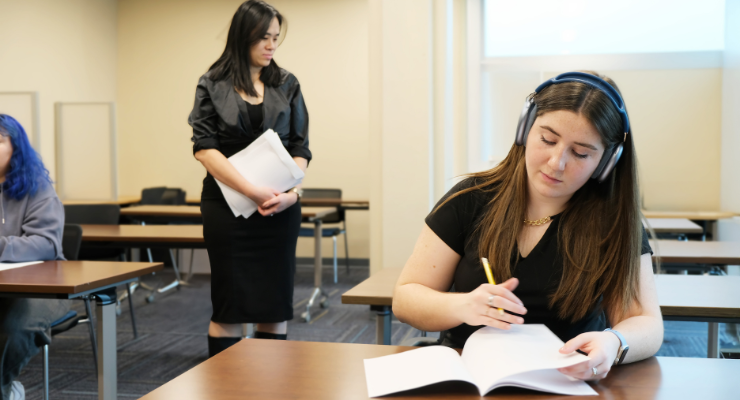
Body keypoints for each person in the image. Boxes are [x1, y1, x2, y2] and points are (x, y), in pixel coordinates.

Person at [393, 72, 663, 381]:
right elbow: (405, 299)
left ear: (606, 162)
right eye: (547, 139)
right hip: (468, 377)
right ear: (525, 130)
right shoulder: (469, 199)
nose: (556, 162)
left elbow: (647, 324)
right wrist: (463, 305)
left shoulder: (612, 222)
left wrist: (615, 341)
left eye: (580, 153)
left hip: (566, 379)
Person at [189, 0, 311, 357]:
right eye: (264, 38)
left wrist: (291, 194)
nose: (272, 45)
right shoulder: (212, 83)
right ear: (243, 37)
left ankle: (269, 390)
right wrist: (251, 190)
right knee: (230, 303)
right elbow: (205, 148)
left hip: (278, 208)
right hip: (227, 209)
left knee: (274, 305)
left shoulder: (287, 83)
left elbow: (300, 148)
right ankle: (224, 390)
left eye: (275, 38)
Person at [0, 114, 67, 400]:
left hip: (43, 286)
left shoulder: (37, 188)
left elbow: (46, 243)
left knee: (15, 327)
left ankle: (4, 388)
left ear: (16, 147)